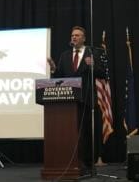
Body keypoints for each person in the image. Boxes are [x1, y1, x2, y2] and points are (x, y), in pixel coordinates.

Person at [48, 26, 105, 170]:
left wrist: (92, 66)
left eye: (77, 35)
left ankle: (87, 163)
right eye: (72, 35)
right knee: (71, 133)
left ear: (84, 38)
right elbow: (59, 78)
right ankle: (72, 163)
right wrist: (54, 69)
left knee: (86, 134)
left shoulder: (92, 53)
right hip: (68, 102)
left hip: (86, 100)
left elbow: (102, 74)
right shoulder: (65, 55)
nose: (74, 37)